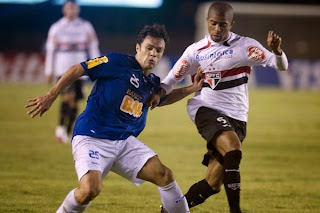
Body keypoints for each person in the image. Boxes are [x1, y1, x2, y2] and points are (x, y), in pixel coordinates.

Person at [26, 24, 193, 213]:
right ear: (138, 47)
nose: (153, 54)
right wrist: (51, 95)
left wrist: (192, 88)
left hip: (123, 142)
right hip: (92, 136)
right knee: (90, 190)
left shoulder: (152, 82)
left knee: (164, 175)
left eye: (158, 50)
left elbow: (163, 99)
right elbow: (78, 69)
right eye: (149, 48)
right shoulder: (116, 62)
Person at [147, 2, 289, 213]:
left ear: (231, 24)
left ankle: (169, 211)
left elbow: (281, 65)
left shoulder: (246, 47)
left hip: (237, 117)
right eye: (213, 24)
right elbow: (170, 80)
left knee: (213, 183)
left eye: (222, 25)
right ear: (207, 22)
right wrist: (158, 94)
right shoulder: (196, 51)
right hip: (205, 108)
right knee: (233, 148)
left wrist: (277, 52)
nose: (217, 29)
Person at [44, 0, 100, 143]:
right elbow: (50, 50)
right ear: (64, 10)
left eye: (74, 8)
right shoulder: (56, 27)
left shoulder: (85, 27)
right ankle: (61, 129)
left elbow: (93, 46)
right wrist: (49, 70)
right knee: (67, 97)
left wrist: (98, 66)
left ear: (78, 10)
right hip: (62, 68)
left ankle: (67, 131)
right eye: (69, 8)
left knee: (74, 101)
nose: (72, 11)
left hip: (81, 69)